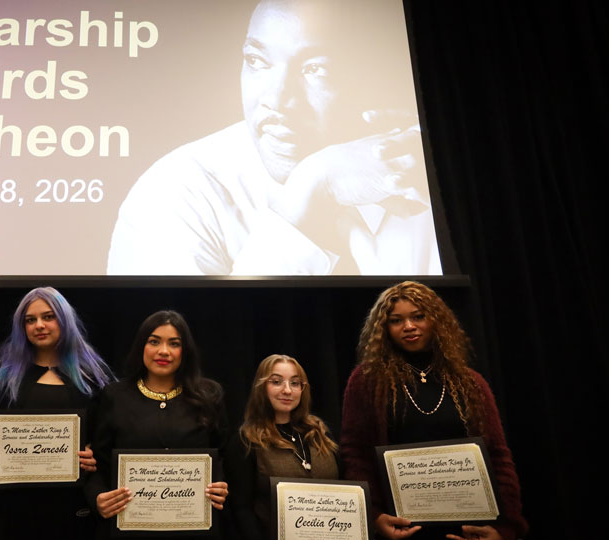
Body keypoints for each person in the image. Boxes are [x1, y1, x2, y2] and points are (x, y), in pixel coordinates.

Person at [108, 0, 440, 276]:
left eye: (315, 69)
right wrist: (312, 188)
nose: (278, 100)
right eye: (256, 61)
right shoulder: (173, 194)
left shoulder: (416, 168)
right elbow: (192, 342)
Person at [340, 281, 527, 540]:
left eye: (418, 316)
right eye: (396, 320)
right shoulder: (367, 381)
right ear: (384, 328)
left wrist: (504, 528)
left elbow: (498, 457)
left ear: (436, 320)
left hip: (470, 531)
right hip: (403, 529)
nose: (409, 327)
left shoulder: (470, 383)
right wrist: (373, 516)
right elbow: (356, 455)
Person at [0, 287, 115, 539]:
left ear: (65, 321)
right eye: (30, 320)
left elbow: (113, 432)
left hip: (70, 506)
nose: (39, 325)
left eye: (49, 317)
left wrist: (96, 454)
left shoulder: (93, 375)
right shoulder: (1, 375)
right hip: (8, 507)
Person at [85, 310, 229, 538]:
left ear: (185, 351)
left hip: (192, 529)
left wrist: (222, 485)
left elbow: (222, 456)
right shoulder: (114, 396)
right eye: (154, 342)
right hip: (130, 529)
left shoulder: (209, 396)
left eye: (174, 343)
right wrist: (97, 498)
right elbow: (96, 464)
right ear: (141, 346)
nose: (164, 351)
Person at [227, 354, 339, 540]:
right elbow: (241, 509)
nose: (287, 390)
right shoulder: (247, 440)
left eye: (295, 383)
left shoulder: (321, 433)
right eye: (277, 382)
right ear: (261, 388)